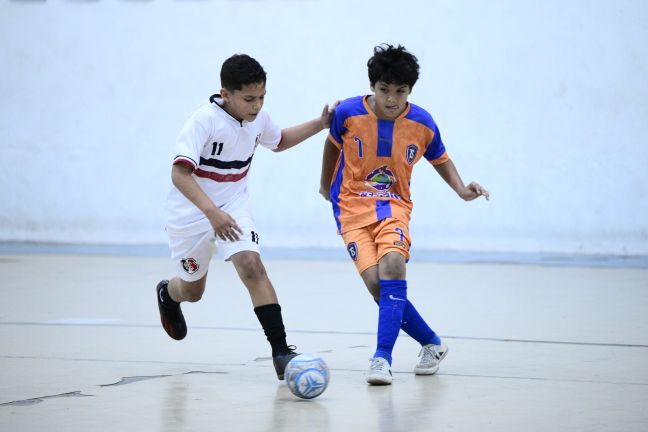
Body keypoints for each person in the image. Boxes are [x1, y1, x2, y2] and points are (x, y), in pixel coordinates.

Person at [319, 44, 490, 385]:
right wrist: (325, 186)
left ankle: (381, 358)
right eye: (384, 90)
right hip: (351, 210)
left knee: (393, 264)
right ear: (373, 87)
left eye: (400, 91)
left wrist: (460, 189)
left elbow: (440, 158)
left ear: (410, 91)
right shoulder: (347, 113)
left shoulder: (422, 122)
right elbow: (331, 145)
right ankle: (431, 343)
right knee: (377, 287)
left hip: (394, 206)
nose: (392, 98)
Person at [156, 53, 333, 381]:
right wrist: (212, 213)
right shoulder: (202, 121)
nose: (257, 106)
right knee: (193, 292)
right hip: (192, 213)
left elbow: (278, 141)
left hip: (234, 206)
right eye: (249, 99)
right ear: (226, 94)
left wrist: (320, 124)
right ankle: (169, 293)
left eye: (262, 97)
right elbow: (180, 176)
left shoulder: (258, 118)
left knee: (251, 265)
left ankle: (281, 352)